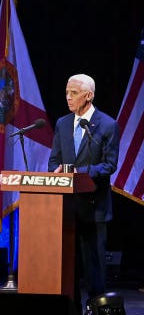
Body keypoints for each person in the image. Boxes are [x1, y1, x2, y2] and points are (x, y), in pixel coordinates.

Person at [48, 74, 120, 311]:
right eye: (67, 92)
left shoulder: (107, 125)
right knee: (68, 265)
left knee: (94, 267)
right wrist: (57, 171)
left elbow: (109, 165)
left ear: (89, 95)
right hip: (67, 208)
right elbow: (54, 161)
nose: (68, 97)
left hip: (94, 206)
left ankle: (97, 308)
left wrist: (81, 172)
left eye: (74, 93)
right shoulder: (62, 123)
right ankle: (71, 307)